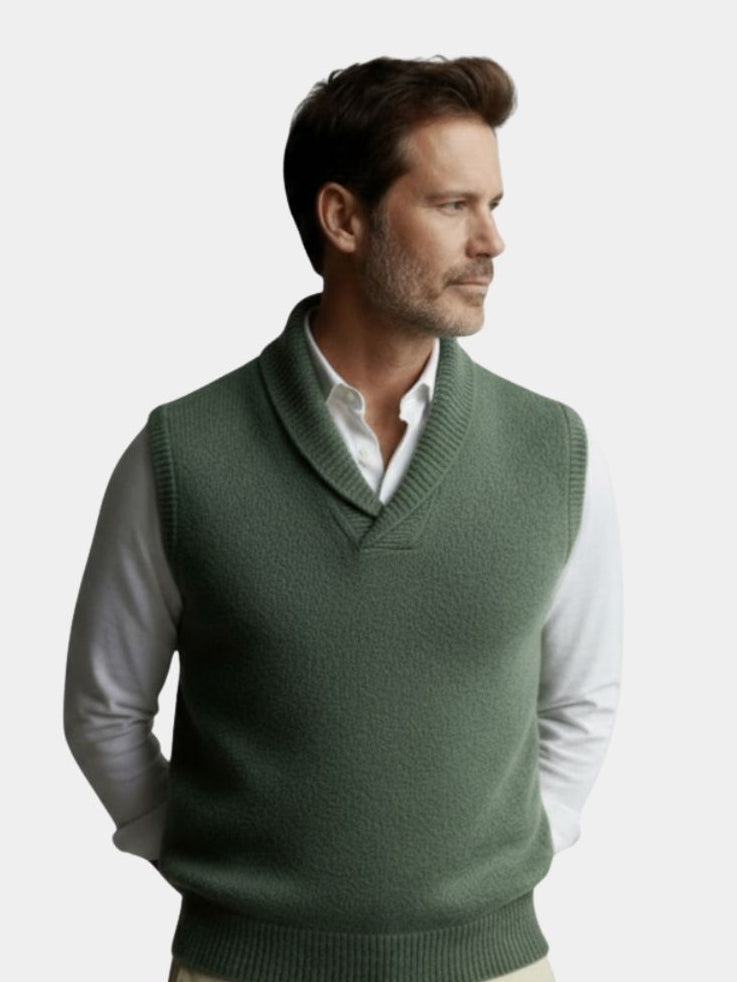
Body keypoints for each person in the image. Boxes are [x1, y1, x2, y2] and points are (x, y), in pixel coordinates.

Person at [64, 55, 623, 982]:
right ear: (343, 219)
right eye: (452, 205)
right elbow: (104, 707)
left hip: (492, 966)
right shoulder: (183, 453)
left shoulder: (554, 451)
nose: (491, 241)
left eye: (493, 205)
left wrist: (503, 865)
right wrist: (205, 866)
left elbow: (581, 700)